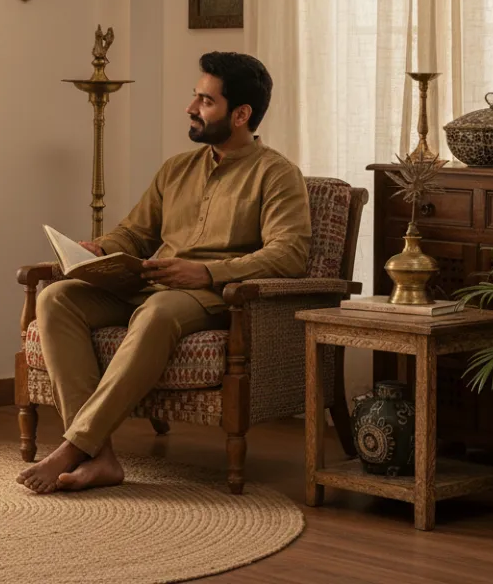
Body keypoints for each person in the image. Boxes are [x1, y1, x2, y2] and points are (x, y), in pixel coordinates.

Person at [17, 52, 311, 493]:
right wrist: (99, 250)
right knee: (55, 299)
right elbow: (134, 234)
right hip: (151, 284)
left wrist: (208, 273)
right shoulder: (176, 168)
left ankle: (75, 446)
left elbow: (289, 255)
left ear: (241, 115)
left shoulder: (277, 174)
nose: (191, 108)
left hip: (214, 297)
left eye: (206, 101)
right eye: (195, 97)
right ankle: (102, 457)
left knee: (157, 312)